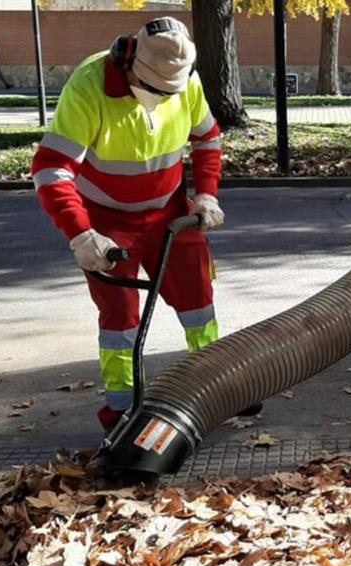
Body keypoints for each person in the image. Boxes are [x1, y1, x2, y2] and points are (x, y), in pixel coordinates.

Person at [31, 17, 258, 431]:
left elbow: (207, 138)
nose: (160, 98)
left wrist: (206, 194)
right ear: (131, 60)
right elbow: (51, 169)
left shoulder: (183, 78)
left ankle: (216, 383)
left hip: (171, 212)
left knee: (198, 301)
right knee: (119, 318)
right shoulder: (89, 88)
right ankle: (122, 407)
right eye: (154, 90)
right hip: (105, 220)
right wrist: (81, 234)